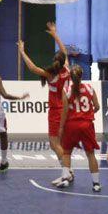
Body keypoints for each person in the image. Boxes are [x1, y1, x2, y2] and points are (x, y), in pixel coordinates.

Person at [18, 22, 74, 188]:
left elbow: (32, 67)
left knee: (54, 144)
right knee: (61, 144)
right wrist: (55, 34)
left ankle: (65, 174)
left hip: (56, 111)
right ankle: (68, 171)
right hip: (67, 111)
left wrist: (22, 51)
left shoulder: (50, 74)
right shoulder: (67, 69)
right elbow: (64, 51)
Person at [58, 65, 102, 192]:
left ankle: (66, 179)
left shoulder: (66, 90)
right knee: (90, 154)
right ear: (82, 75)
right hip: (87, 125)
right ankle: (96, 183)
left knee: (67, 152)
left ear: (70, 77)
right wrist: (88, 113)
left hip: (72, 125)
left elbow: (65, 111)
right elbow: (97, 106)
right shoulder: (89, 88)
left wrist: (61, 127)